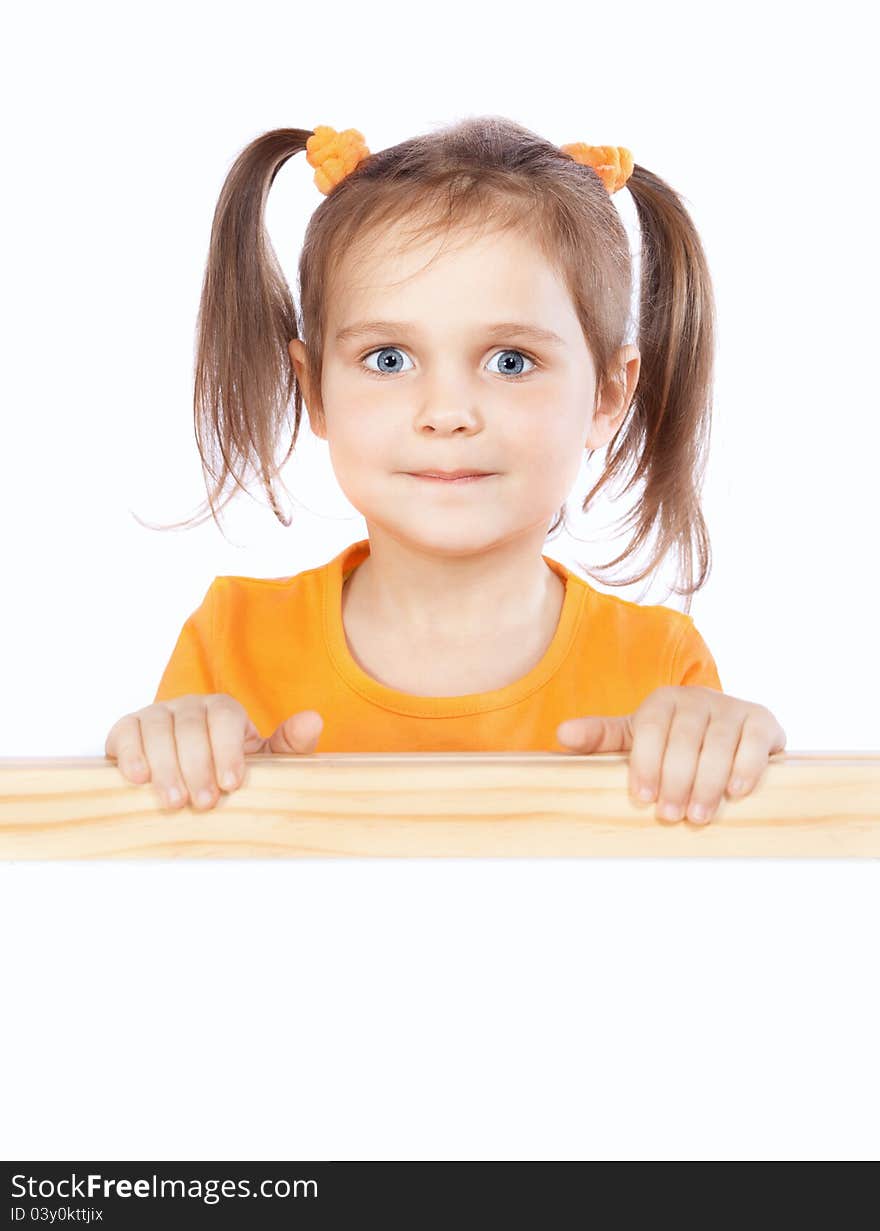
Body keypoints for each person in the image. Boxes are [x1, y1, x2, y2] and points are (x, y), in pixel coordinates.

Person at [104, 117, 786, 825]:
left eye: (510, 361)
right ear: (314, 391)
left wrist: (736, 758)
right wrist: (176, 770)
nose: (447, 412)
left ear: (609, 395)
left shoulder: (660, 670)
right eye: (389, 358)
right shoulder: (230, 646)